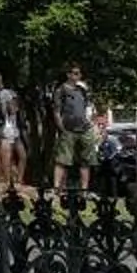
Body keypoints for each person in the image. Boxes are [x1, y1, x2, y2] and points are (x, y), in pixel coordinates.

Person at [51, 66, 97, 195]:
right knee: (62, 160)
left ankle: (84, 190)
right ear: (68, 74)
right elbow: (56, 111)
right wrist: (61, 128)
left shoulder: (82, 90)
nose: (77, 76)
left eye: (79, 73)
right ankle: (57, 189)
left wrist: (91, 123)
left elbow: (88, 107)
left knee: (86, 160)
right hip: (68, 129)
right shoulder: (61, 90)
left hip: (84, 128)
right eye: (75, 73)